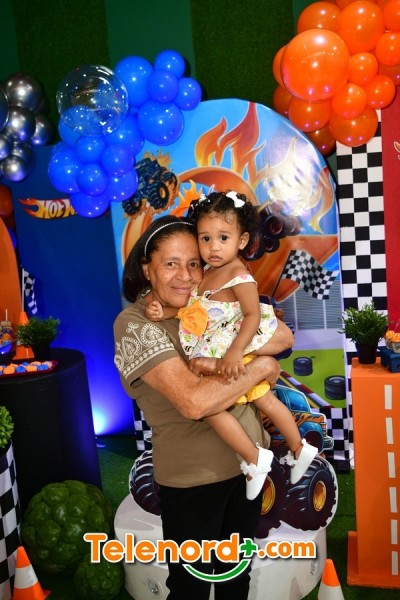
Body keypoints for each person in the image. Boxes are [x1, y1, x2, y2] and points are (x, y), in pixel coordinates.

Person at [113, 214, 294, 600]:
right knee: (190, 588)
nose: (185, 275)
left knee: (236, 578)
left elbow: (282, 335)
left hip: (247, 469)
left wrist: (236, 353)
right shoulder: (135, 324)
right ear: (147, 268)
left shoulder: (206, 305)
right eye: (171, 263)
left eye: (194, 263)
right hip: (194, 481)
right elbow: (194, 402)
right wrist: (261, 366)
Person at [145, 191, 317, 501]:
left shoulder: (238, 275)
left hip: (231, 352)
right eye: (205, 238)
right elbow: (192, 311)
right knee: (263, 401)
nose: (213, 247)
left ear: (242, 240)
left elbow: (252, 316)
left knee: (219, 408)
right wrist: (164, 313)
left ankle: (259, 458)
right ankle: (297, 448)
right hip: (217, 349)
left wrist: (236, 352)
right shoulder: (206, 274)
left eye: (223, 238)